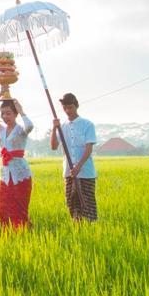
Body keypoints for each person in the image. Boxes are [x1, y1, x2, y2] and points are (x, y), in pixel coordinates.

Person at [0, 93, 34, 228]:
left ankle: (23, 234)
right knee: (3, 205)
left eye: (8, 113)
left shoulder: (21, 130)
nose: (5, 117)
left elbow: (30, 126)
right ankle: (7, 235)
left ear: (15, 114)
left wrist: (21, 110)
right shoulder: (0, 129)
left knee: (20, 207)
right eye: (3, 114)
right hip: (4, 173)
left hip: (20, 174)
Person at [51, 92, 97, 222]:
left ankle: (91, 229)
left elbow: (89, 149)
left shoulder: (87, 124)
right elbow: (54, 146)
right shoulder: (62, 127)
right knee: (71, 203)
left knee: (87, 204)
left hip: (86, 172)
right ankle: (77, 229)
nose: (67, 111)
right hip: (69, 172)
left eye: (70, 107)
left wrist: (78, 166)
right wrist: (54, 128)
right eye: (65, 108)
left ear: (76, 105)